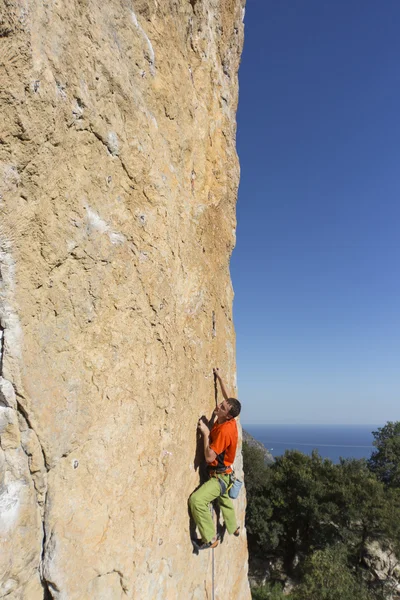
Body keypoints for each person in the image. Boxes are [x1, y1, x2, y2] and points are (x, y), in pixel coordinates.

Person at [189, 368, 242, 550]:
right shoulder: (230, 418)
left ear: (227, 415)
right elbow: (229, 398)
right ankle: (233, 527)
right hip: (225, 474)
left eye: (222, 408)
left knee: (197, 501)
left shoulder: (224, 432)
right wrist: (220, 378)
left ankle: (210, 538)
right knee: (224, 499)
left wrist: (205, 433)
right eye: (221, 403)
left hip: (219, 477)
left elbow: (209, 456)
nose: (218, 406)